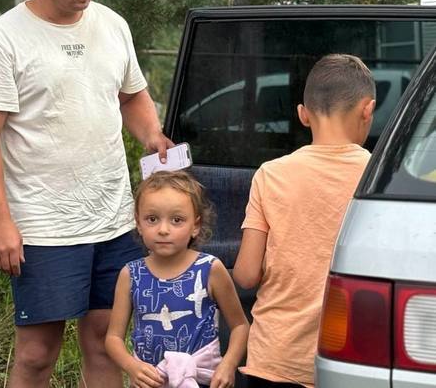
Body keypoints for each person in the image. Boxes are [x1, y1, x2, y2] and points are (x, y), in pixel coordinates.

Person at [0, 0, 173, 387]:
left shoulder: (112, 25)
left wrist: (152, 136)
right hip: (42, 224)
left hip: (114, 217)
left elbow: (132, 95)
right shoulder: (3, 38)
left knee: (107, 341)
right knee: (38, 352)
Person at [232, 54, 376, 388]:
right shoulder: (378, 177)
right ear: (368, 110)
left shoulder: (270, 175)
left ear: (302, 114)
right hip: (351, 359)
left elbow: (246, 274)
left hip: (276, 357)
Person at [105, 171, 249, 388]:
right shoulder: (131, 274)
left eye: (177, 220)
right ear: (139, 223)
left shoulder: (209, 269)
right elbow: (113, 338)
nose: (163, 230)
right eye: (152, 219)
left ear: (196, 226)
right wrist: (131, 367)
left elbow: (240, 325)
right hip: (150, 382)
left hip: (201, 382)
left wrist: (228, 365)